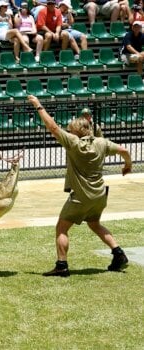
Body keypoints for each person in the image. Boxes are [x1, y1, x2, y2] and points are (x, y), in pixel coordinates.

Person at [27, 94, 132, 277]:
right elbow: (124, 150)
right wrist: (127, 166)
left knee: (61, 228)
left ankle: (62, 265)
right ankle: (118, 253)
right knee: (94, 224)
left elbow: (52, 127)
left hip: (81, 196)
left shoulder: (73, 143)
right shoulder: (101, 143)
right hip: (99, 195)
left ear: (75, 132)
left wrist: (38, 105)